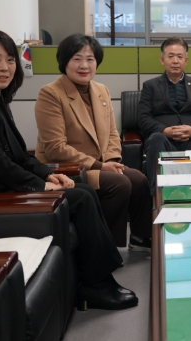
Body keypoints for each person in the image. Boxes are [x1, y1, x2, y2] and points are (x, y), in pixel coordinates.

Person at [0, 29, 138, 310]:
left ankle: (97, 277)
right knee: (82, 196)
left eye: (10, 60)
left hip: (0, 185)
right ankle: (96, 285)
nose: (5, 67)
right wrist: (40, 186)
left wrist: (47, 173)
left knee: (82, 191)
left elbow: (20, 156)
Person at [34, 34, 152, 252]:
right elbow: (55, 148)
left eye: (90, 59)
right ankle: (104, 248)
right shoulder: (50, 94)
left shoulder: (101, 90)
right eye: (77, 59)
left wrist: (113, 161)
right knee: (119, 184)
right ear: (64, 61)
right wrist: (100, 166)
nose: (84, 65)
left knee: (139, 179)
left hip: (101, 164)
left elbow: (113, 134)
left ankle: (140, 237)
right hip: (66, 169)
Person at [138, 36, 191, 195]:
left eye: (179, 56)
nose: (175, 61)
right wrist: (165, 131)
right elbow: (143, 118)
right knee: (156, 138)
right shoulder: (150, 86)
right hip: (165, 142)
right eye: (170, 56)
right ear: (162, 60)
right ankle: (157, 195)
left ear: (186, 60)